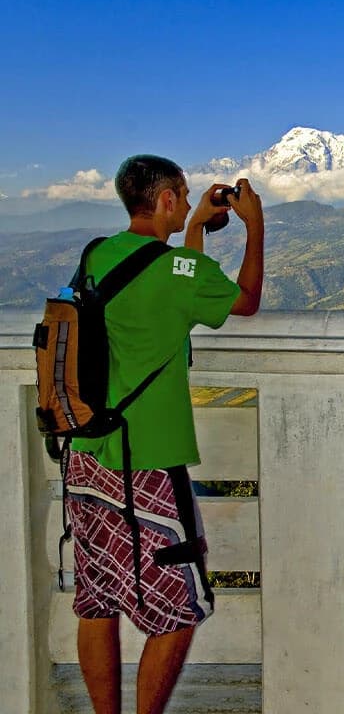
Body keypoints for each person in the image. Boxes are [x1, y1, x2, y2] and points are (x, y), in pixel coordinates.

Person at [65, 154, 264, 714]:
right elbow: (244, 302)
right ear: (168, 199)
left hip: (85, 454)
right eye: (183, 194)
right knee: (179, 609)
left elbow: (171, 284)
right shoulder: (179, 271)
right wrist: (255, 227)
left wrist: (198, 228)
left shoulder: (96, 255)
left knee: (96, 599)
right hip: (148, 461)